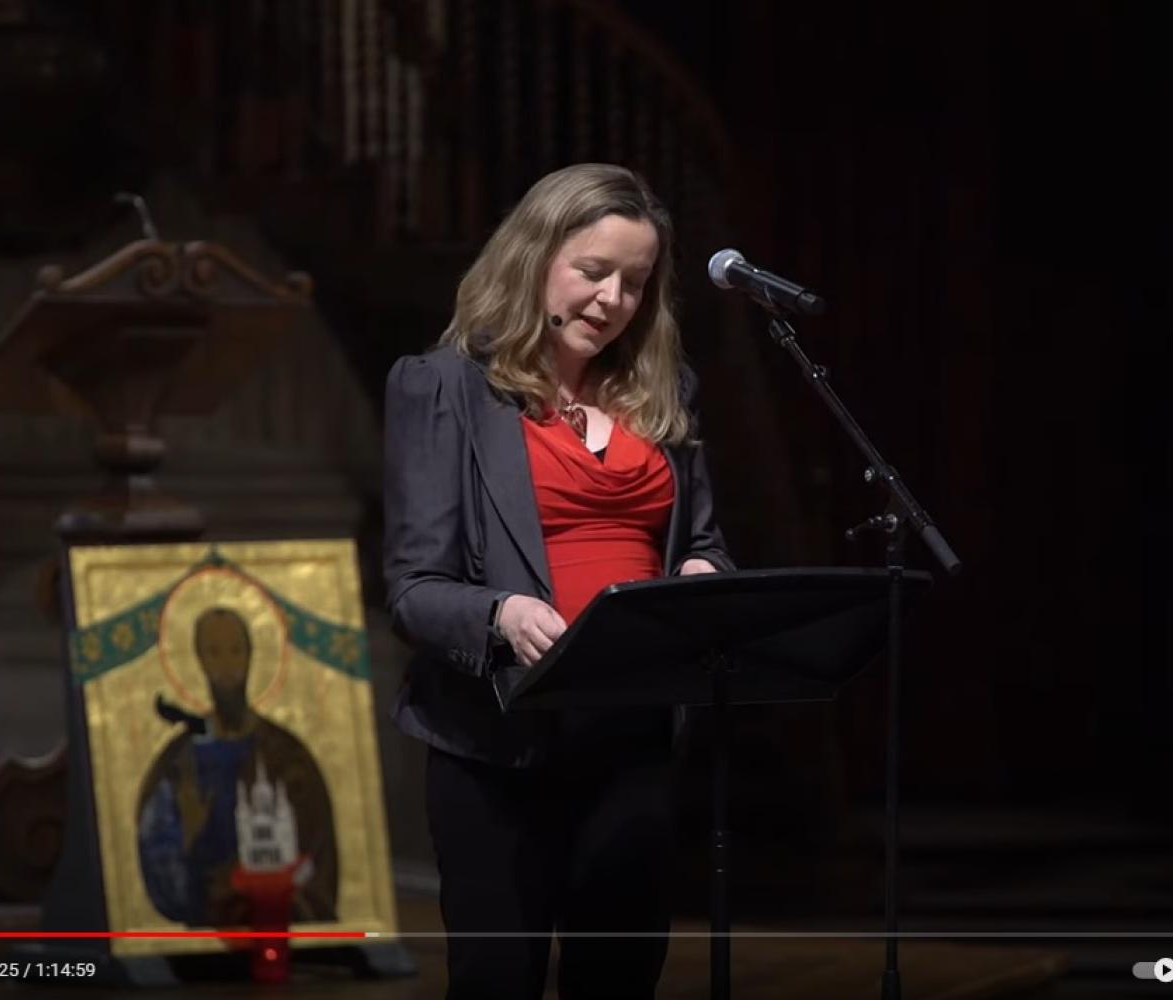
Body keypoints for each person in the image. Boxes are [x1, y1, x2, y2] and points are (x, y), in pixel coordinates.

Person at [382, 162, 734, 1000]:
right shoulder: (443, 388)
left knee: (616, 979)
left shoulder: (665, 395)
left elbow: (709, 543)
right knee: (498, 978)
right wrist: (500, 611)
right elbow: (411, 588)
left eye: (636, 283)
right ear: (537, 256)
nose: (613, 300)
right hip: (499, 742)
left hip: (633, 736)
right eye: (594, 271)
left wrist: (702, 572)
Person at [135, 606, 339, 927]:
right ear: (199, 660)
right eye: (213, 652)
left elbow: (314, 852)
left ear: (251, 655)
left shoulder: (287, 753)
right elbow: (159, 857)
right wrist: (190, 839)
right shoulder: (180, 761)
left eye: (235, 650)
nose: (227, 666)